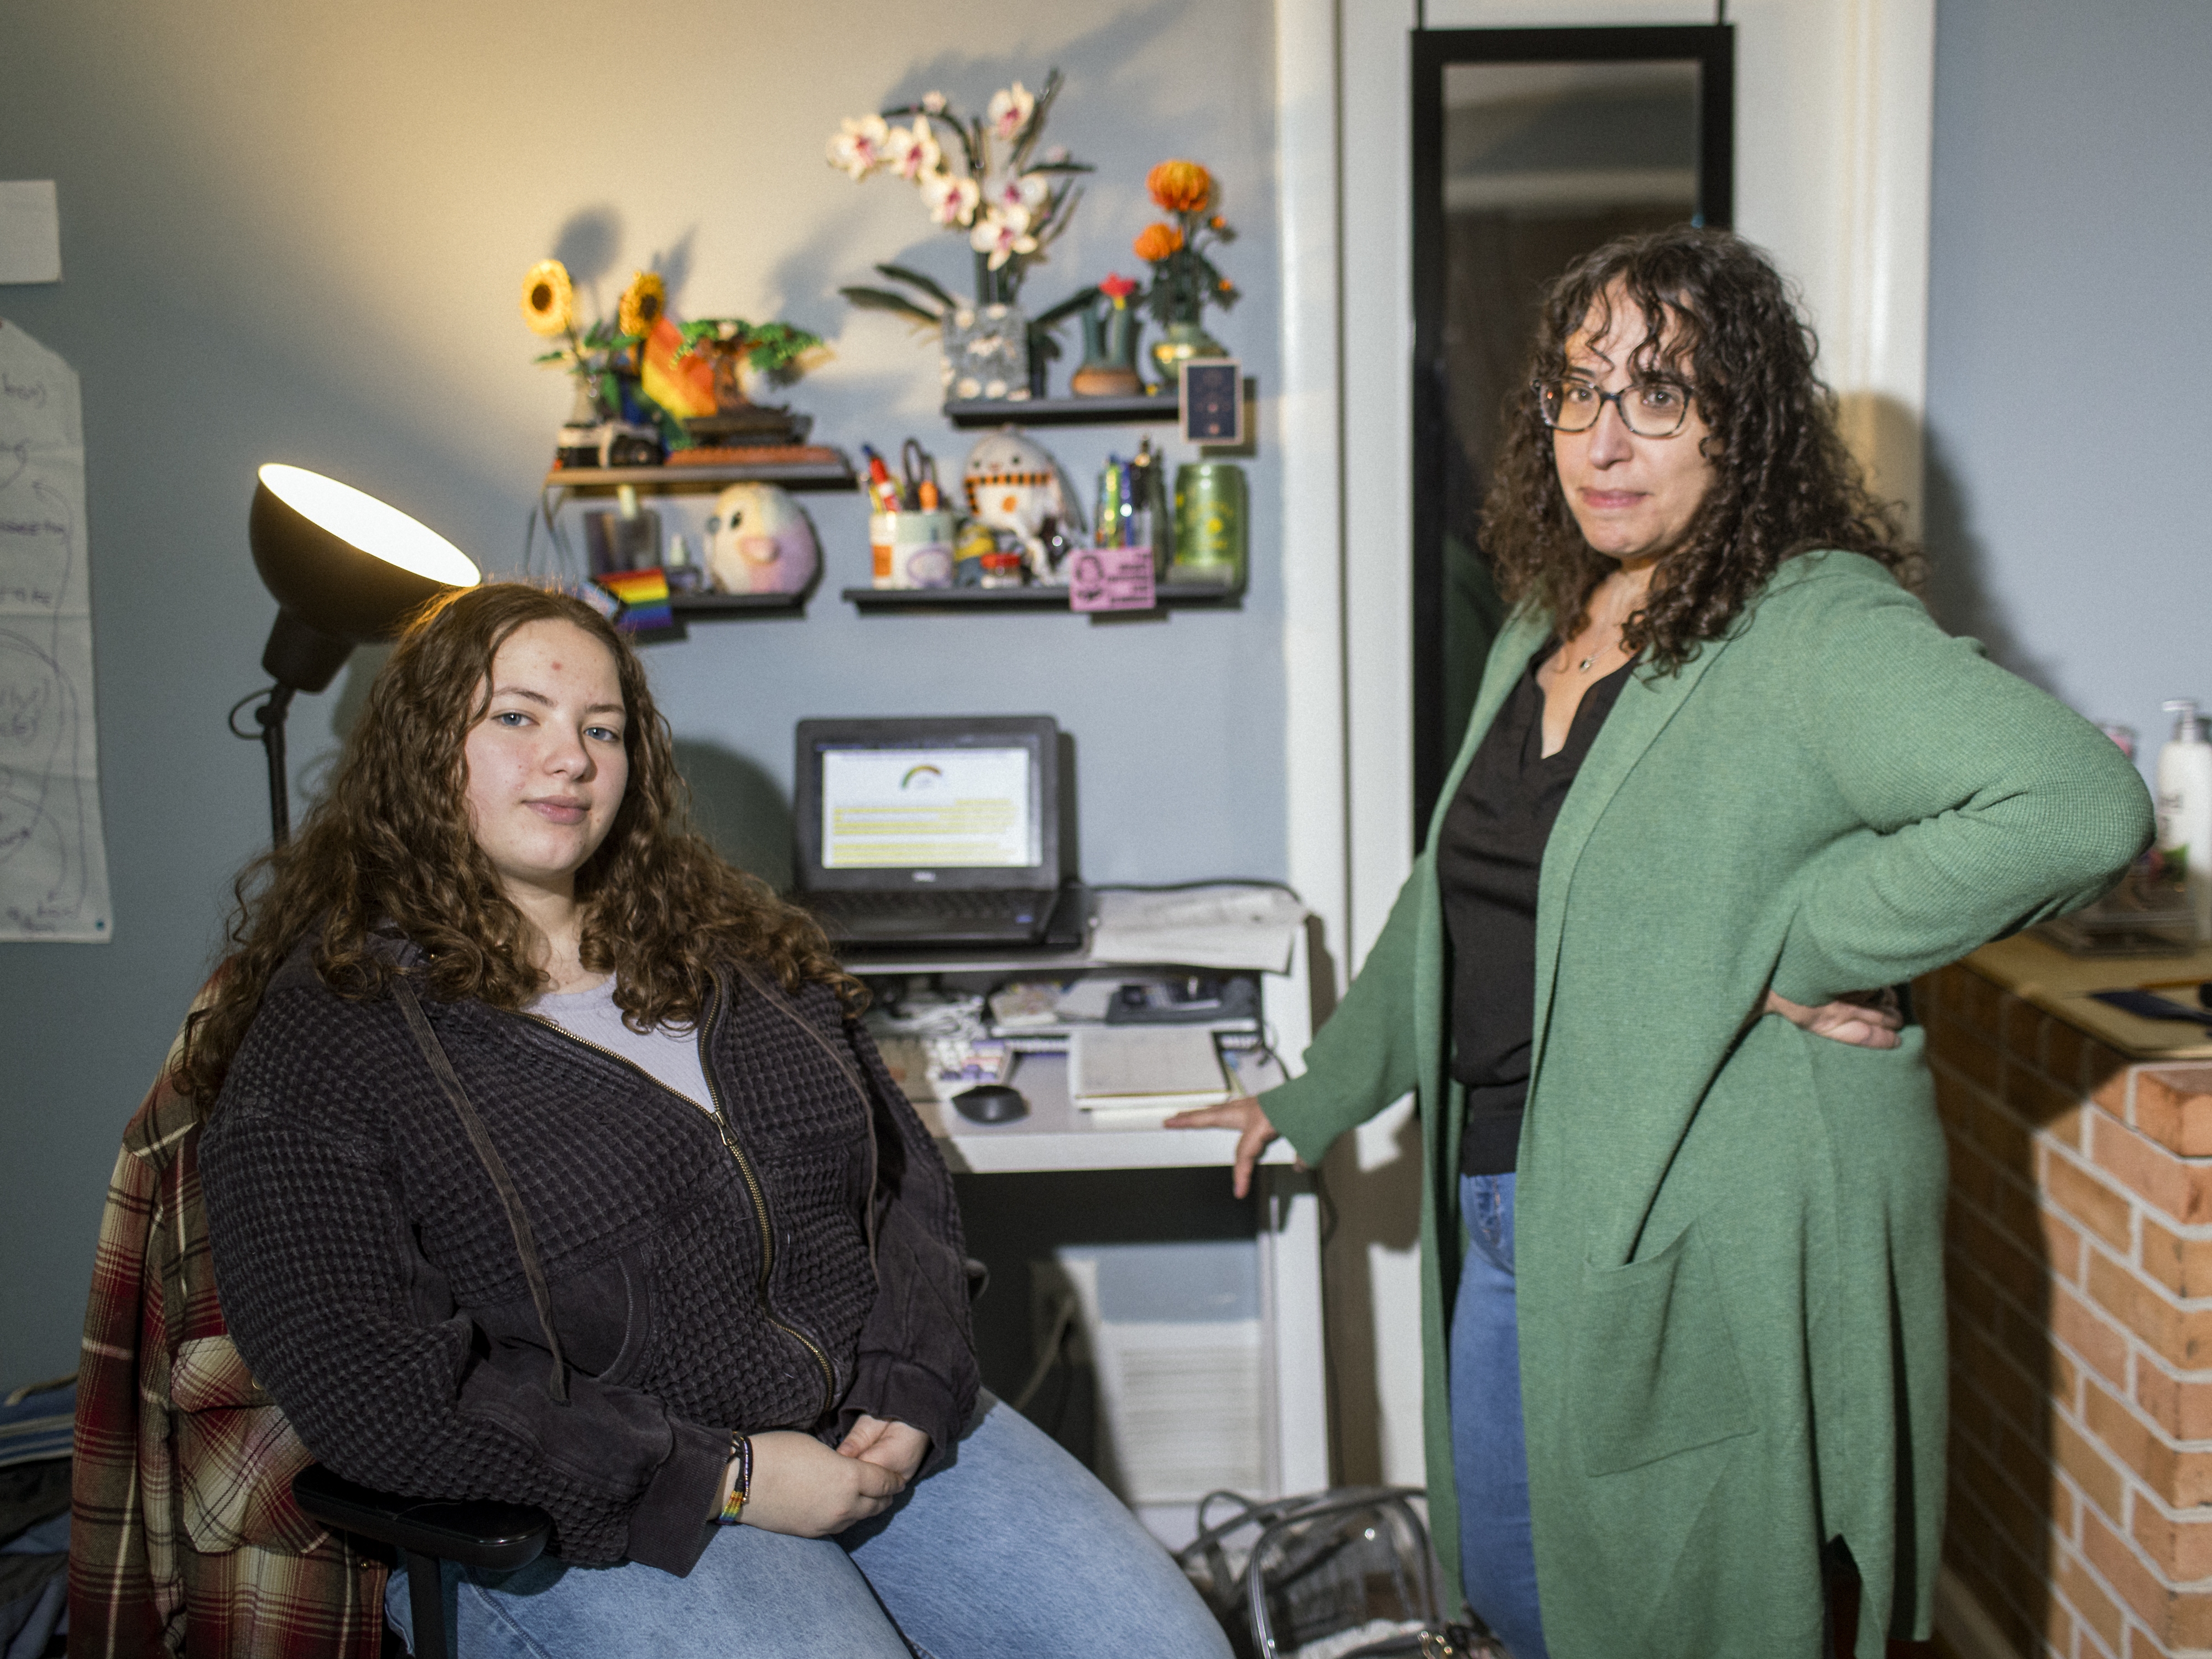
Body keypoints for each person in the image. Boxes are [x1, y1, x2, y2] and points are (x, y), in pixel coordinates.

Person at [1171, 227, 2152, 1659]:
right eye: (1578, 391)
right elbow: (1450, 898)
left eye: (1660, 395)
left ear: (1740, 425)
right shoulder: (1545, 624)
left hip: (1696, 1210)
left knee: (1679, 1612)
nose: (1603, 439)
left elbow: (2077, 803)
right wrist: (1314, 1095)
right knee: (1516, 1592)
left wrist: (1807, 937)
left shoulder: (1809, 625)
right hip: (1509, 1194)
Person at [186, 583, 1230, 1659]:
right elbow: (380, 1389)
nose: (571, 758)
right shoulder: (333, 1034)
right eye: (517, 717)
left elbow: (901, 1189)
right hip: (599, 1494)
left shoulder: (729, 949)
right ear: (418, 746)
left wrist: (912, 1379)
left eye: (603, 728)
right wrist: (725, 1475)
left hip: (860, 1419)